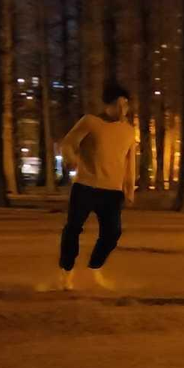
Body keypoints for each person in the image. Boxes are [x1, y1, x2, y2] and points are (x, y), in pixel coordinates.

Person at [57, 82, 138, 291]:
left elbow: (130, 162)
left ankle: (95, 268)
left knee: (113, 233)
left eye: (126, 105)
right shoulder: (90, 122)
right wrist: (70, 158)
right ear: (108, 105)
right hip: (86, 186)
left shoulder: (129, 131)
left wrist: (129, 188)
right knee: (73, 229)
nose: (123, 109)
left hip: (112, 191)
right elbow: (67, 143)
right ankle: (67, 271)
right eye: (119, 105)